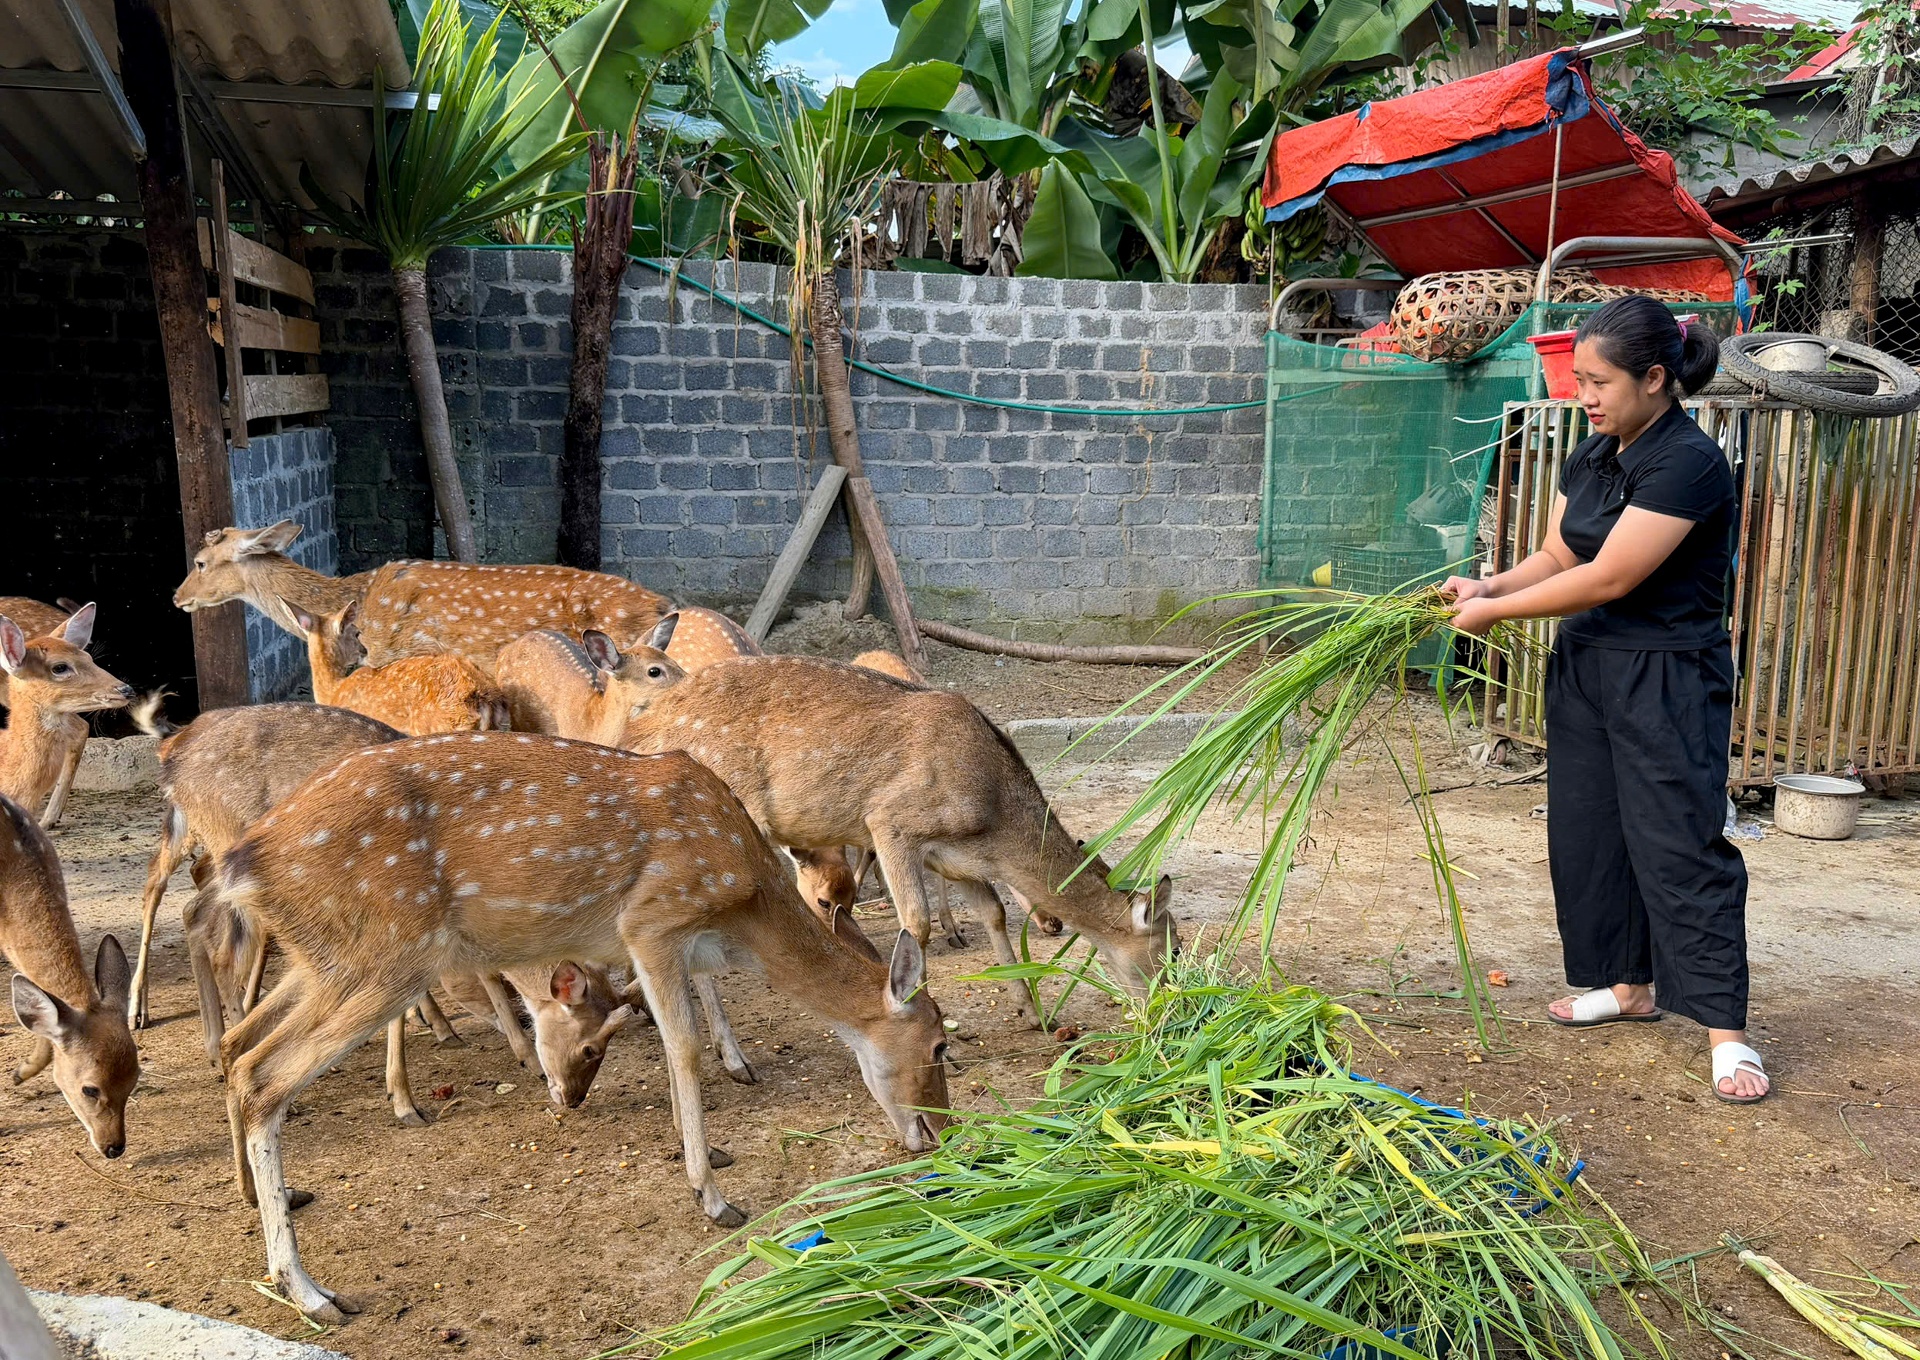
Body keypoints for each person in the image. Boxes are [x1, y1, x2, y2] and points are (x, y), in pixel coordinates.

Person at [1442, 296, 1767, 1103]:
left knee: (1679, 844)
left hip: (1665, 676)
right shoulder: (1592, 454)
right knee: (1588, 832)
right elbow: (1559, 553)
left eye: (1598, 381)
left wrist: (1491, 613)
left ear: (1655, 379)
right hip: (1588, 666)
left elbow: (1614, 574)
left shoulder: (1688, 463)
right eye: (1578, 380)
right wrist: (1489, 583)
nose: (1584, 396)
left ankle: (1728, 1034)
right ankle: (1625, 987)